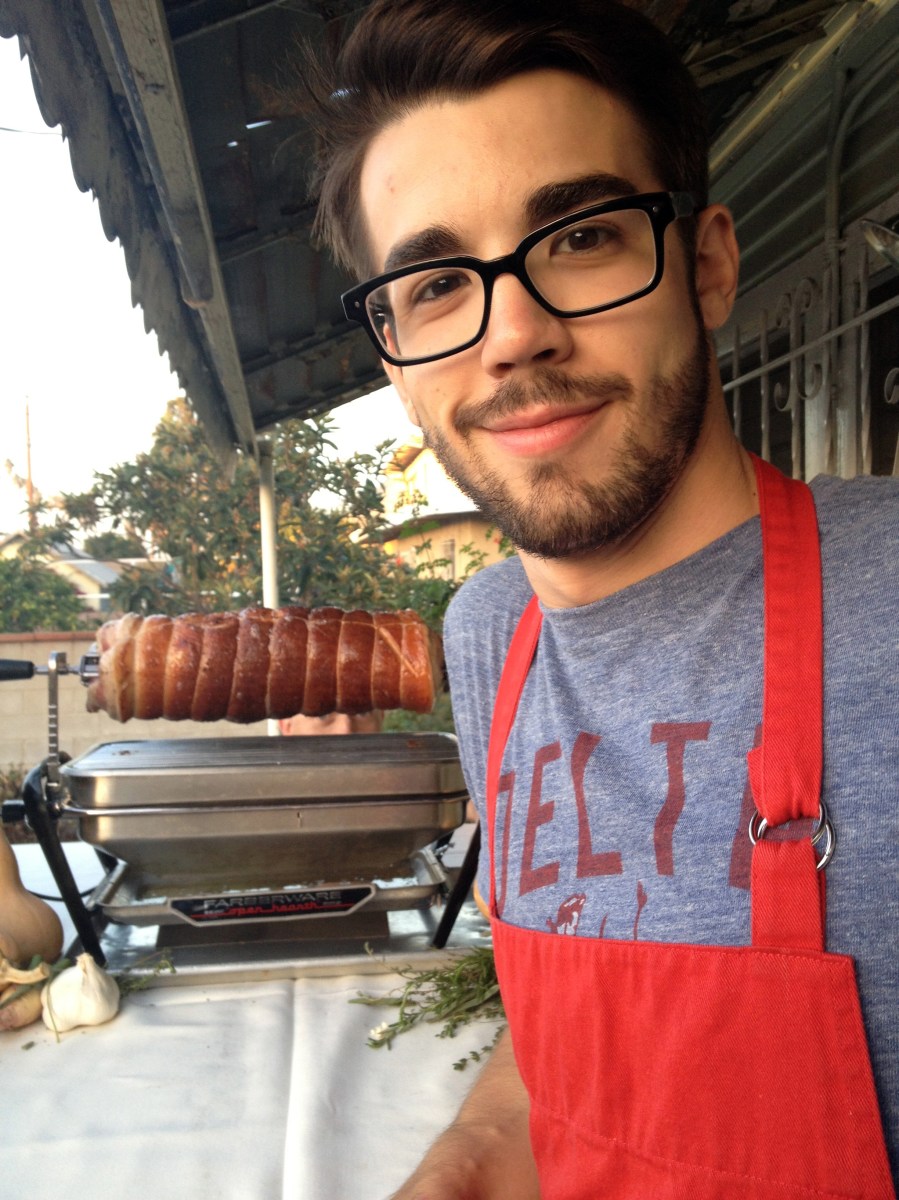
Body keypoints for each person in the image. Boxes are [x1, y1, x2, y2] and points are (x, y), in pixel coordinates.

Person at [304, 2, 899, 1196]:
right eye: (432, 285)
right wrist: (464, 1163)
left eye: (578, 237)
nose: (510, 335)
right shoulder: (486, 637)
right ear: (395, 360)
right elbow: (561, 1045)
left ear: (709, 264)